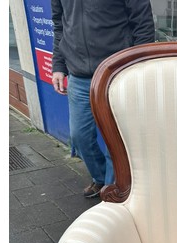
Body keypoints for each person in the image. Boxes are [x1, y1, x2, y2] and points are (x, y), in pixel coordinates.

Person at [51, 0, 155, 197]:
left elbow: (143, 24)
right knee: (79, 136)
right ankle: (100, 179)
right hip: (79, 75)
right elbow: (60, 25)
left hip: (115, 73)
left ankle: (111, 192)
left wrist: (135, 68)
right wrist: (58, 65)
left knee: (113, 140)